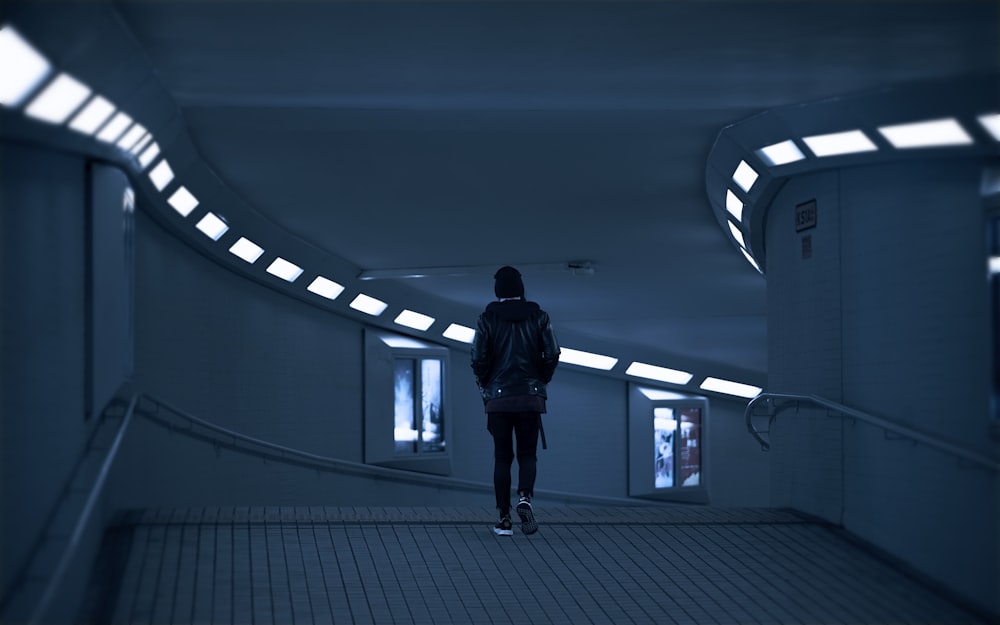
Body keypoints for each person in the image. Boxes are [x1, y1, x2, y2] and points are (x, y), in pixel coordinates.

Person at [471, 266, 560, 536]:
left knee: (502, 458)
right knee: (527, 454)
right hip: (529, 398)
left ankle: (504, 520)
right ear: (521, 289)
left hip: (498, 401)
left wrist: (486, 382)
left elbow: (478, 359)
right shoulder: (539, 317)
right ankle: (525, 498)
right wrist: (539, 380)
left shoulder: (487, 319)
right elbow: (552, 353)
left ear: (498, 291)